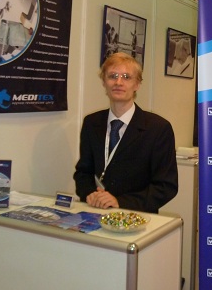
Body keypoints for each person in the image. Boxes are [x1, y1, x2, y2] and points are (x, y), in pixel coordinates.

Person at [74, 52, 178, 212]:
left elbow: (166, 186)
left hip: (138, 217)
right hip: (96, 212)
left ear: (137, 84)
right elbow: (83, 172)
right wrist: (90, 194)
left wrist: (120, 202)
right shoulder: (91, 123)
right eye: (112, 76)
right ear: (104, 82)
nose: (118, 82)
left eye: (126, 77)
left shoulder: (158, 128)